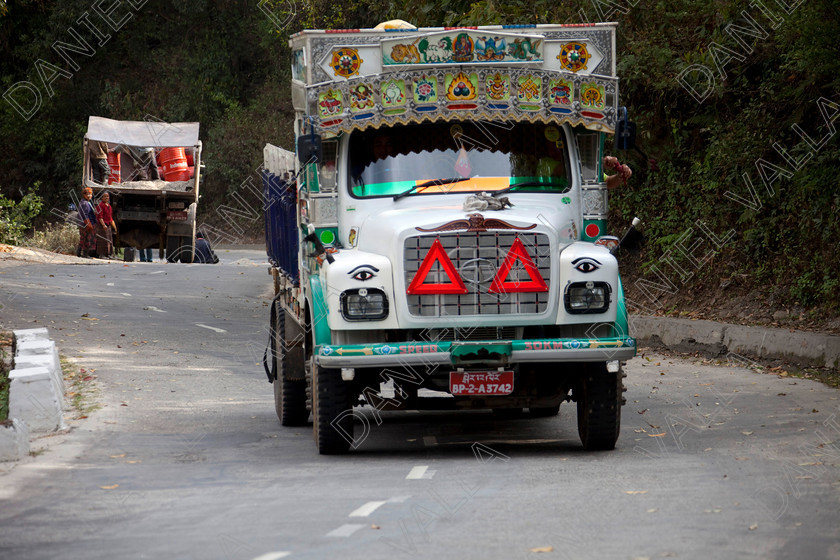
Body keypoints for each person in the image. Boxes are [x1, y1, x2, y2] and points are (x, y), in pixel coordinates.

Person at [95, 192, 117, 258]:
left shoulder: (109, 206)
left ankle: (108, 254)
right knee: (102, 240)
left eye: (107, 196)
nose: (106, 198)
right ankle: (101, 254)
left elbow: (110, 218)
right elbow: (100, 217)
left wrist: (114, 227)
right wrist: (103, 225)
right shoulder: (100, 205)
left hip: (108, 225)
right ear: (101, 198)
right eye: (105, 196)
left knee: (109, 240)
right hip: (102, 225)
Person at [77, 187, 97, 258]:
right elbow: (85, 214)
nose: (89, 196)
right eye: (87, 194)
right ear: (84, 195)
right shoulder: (85, 203)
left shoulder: (87, 202)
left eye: (90, 194)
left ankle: (79, 252)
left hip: (86, 223)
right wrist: (88, 224)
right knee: (87, 238)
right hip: (86, 224)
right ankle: (85, 254)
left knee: (83, 238)